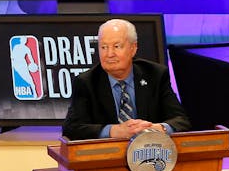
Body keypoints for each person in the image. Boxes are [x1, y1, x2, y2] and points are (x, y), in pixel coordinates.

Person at [62, 18, 191, 141]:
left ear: (133, 48)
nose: (109, 54)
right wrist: (114, 131)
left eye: (117, 46)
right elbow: (71, 129)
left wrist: (155, 129)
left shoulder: (155, 75)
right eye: (103, 47)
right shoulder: (86, 82)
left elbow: (181, 121)